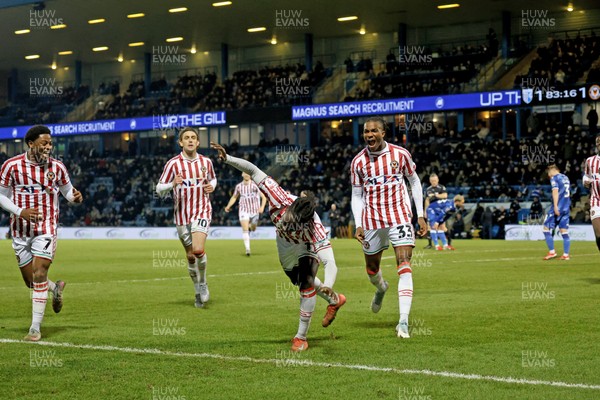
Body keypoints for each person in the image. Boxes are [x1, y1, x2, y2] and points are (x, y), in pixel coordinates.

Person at [211, 142, 345, 353]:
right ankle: (334, 299)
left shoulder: (314, 227)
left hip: (305, 248)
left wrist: (329, 282)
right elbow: (253, 170)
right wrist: (228, 159)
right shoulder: (278, 196)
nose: (288, 223)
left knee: (307, 286)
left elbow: (330, 262)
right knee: (298, 279)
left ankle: (301, 337)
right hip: (285, 248)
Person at [0, 125, 83, 341]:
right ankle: (55, 288)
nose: (48, 147)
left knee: (39, 273)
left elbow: (67, 192)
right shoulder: (12, 166)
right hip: (20, 230)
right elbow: (1, 196)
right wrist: (21, 212)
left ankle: (35, 328)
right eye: (44, 143)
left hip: (45, 227)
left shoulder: (57, 167)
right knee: (30, 281)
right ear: (31, 143)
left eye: (50, 143)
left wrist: (75, 198)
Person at [350, 116, 426, 339]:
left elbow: (414, 181)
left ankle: (403, 321)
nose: (369, 135)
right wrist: (359, 223)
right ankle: (382, 288)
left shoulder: (400, 154)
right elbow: (356, 195)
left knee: (404, 264)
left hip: (399, 216)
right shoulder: (358, 162)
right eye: (366, 132)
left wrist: (420, 215)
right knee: (372, 271)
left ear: (383, 133)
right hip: (372, 220)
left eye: (373, 131)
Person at [156, 127, 217, 308]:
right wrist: (171, 184)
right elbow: (159, 190)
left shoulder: (206, 162)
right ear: (181, 143)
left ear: (198, 142)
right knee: (190, 256)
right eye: (186, 138)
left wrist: (211, 186)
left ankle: (204, 282)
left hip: (202, 210)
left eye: (193, 138)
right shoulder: (173, 164)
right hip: (181, 215)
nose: (190, 140)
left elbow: (213, 179)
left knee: (198, 250)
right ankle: (197, 289)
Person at [224, 172, 267, 256]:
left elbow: (264, 197)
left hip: (255, 210)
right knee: (245, 229)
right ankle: (247, 249)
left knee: (253, 228)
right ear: (242, 174)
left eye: (248, 173)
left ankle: (252, 227)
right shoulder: (239, 186)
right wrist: (228, 206)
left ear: (250, 175)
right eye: (245, 173)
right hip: (244, 210)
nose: (246, 175)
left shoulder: (255, 185)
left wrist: (262, 207)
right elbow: (234, 197)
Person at [542, 165, 571, 260]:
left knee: (545, 228)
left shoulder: (554, 178)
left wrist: (555, 206)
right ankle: (566, 255)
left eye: (548, 173)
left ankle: (552, 252)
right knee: (564, 231)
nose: (548, 175)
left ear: (552, 171)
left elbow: (555, 192)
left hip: (558, 207)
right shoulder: (566, 177)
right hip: (566, 207)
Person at [583, 134, 600, 252]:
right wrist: (586, 181)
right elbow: (586, 176)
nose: (599, 144)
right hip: (596, 200)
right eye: (597, 142)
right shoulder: (590, 160)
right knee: (599, 234)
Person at [424, 173, 448, 249]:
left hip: (441, 210)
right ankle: (433, 245)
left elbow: (445, 196)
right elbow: (427, 200)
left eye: (435, 180)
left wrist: (435, 195)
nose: (434, 182)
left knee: (442, 226)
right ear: (430, 181)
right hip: (431, 210)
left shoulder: (441, 187)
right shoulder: (428, 189)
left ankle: (446, 244)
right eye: (432, 181)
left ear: (438, 180)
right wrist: (425, 211)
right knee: (431, 227)